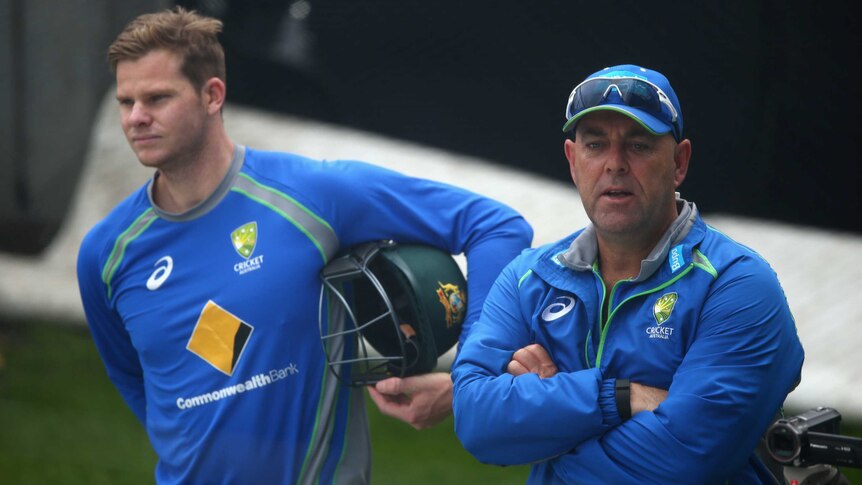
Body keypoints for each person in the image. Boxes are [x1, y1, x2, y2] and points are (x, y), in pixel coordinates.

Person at [75, 7, 532, 484]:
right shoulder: (106, 253)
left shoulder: (315, 195)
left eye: (157, 98)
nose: (136, 118)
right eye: (126, 102)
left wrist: (472, 377)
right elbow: (140, 380)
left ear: (212, 95)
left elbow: (496, 227)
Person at [451, 64, 804, 484]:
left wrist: (546, 421)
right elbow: (475, 419)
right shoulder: (529, 277)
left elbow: (685, 460)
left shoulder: (737, 284)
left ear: (679, 162)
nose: (614, 164)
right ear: (572, 161)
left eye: (638, 145)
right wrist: (620, 398)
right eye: (595, 145)